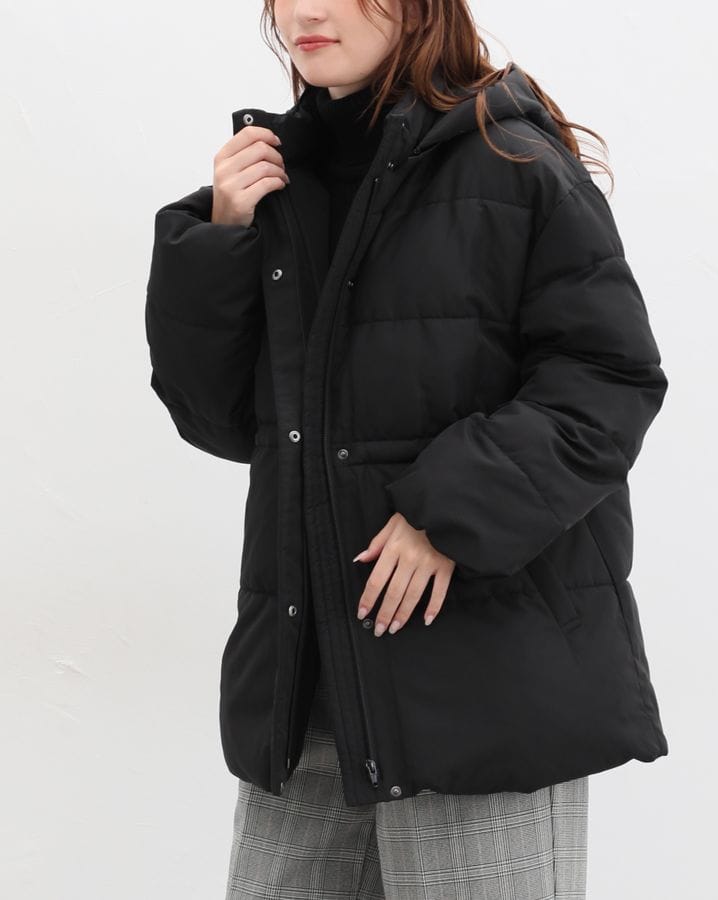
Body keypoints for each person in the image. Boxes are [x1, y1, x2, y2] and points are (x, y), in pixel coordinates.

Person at [144, 1, 670, 897]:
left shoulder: (512, 163)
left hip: (478, 690)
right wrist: (221, 238)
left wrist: (446, 515)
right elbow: (220, 421)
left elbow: (609, 379)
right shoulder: (279, 181)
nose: (305, 11)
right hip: (309, 695)